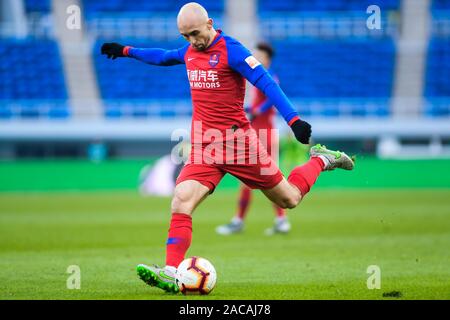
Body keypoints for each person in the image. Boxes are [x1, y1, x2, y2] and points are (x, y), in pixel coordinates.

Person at [101, 2, 354, 294]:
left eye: (195, 33)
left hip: (239, 145)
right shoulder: (190, 51)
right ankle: (171, 271)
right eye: (185, 36)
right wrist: (125, 51)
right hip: (205, 146)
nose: (191, 41)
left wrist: (294, 120)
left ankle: (321, 159)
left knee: (289, 199)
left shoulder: (232, 50)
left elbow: (267, 83)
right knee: (181, 200)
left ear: (210, 23)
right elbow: (163, 57)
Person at [215, 42, 291, 236]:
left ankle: (242, 220)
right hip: (259, 131)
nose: (256, 57)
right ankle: (279, 220)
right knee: (266, 178)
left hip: (263, 133)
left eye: (259, 55)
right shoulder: (260, 75)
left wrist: (256, 110)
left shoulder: (269, 76)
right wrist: (248, 109)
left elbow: (272, 99)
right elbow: (259, 104)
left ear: (267, 58)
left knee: (263, 178)